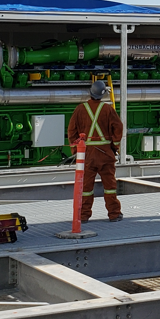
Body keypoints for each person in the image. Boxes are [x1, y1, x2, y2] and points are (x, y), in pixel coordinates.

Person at [67, 80, 124, 222]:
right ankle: (114, 214)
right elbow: (118, 128)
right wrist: (114, 147)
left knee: (86, 187)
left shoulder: (80, 109)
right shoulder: (108, 109)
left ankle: (84, 215)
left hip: (87, 154)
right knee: (110, 186)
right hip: (105, 154)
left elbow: (71, 130)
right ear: (103, 94)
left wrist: (76, 151)